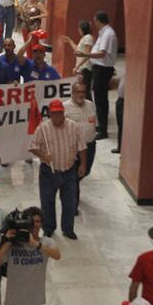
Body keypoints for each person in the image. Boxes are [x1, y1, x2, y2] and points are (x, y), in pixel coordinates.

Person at [30, 100, 87, 240]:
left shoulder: (74, 127)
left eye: (59, 113)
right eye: (54, 113)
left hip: (69, 171)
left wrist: (83, 165)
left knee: (70, 202)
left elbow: (82, 147)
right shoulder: (43, 128)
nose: (57, 116)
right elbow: (33, 147)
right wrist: (43, 155)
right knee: (47, 201)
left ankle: (68, 229)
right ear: (50, 113)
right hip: (49, 171)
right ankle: (48, 228)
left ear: (63, 112)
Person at [75, 10, 118, 140]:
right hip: (99, 68)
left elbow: (102, 53)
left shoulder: (108, 34)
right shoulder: (104, 33)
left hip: (103, 69)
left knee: (101, 99)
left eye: (95, 21)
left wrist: (85, 55)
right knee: (98, 98)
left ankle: (103, 130)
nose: (95, 24)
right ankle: (101, 126)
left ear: (99, 21)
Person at [63, 82, 96, 213]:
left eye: (83, 92)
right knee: (74, 176)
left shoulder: (90, 104)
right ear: (73, 93)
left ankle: (70, 188)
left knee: (85, 171)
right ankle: (72, 205)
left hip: (90, 144)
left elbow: (93, 121)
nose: (81, 94)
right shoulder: (65, 107)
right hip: (74, 148)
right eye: (78, 92)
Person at [62, 19, 94, 98]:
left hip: (85, 68)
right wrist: (69, 41)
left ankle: (88, 108)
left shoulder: (88, 38)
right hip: (82, 68)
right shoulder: (84, 38)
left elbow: (87, 54)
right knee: (82, 90)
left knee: (85, 91)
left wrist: (77, 66)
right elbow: (77, 49)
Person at [113, 74, 125, 154]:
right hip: (120, 100)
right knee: (120, 124)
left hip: (128, 100)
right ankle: (120, 146)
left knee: (125, 125)